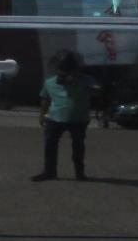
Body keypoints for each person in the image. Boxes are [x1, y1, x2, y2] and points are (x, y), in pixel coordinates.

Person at [33, 52, 94, 181]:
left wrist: (79, 81)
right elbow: (45, 99)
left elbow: (97, 90)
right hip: (54, 118)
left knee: (78, 146)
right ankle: (49, 172)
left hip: (78, 119)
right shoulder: (49, 82)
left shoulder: (85, 80)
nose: (65, 75)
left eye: (68, 71)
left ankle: (80, 173)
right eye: (62, 72)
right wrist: (42, 115)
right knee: (50, 145)